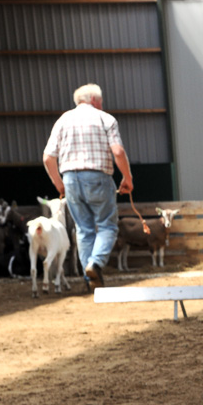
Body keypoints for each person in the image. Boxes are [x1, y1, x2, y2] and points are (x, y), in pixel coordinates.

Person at [43, 83, 134, 291]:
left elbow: (48, 157)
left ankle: (89, 280)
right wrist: (127, 178)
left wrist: (59, 184)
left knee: (83, 230)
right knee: (107, 226)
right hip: (98, 176)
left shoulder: (63, 120)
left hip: (70, 179)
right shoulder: (105, 119)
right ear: (94, 100)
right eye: (100, 101)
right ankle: (95, 263)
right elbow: (118, 152)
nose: (102, 104)